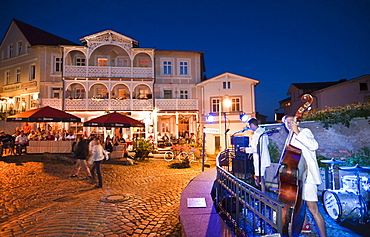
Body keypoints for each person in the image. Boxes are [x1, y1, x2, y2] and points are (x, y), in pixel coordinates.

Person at [282, 115, 326, 237]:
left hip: (308, 176)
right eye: (287, 122)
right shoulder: (289, 137)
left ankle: (323, 235)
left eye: (292, 121)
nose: (289, 124)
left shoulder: (305, 132)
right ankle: (304, 226)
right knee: (298, 206)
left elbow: (314, 146)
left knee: (313, 208)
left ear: (297, 122)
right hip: (296, 176)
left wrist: (297, 132)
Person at [243, 118, 271, 192]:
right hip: (262, 158)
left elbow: (257, 149)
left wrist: (246, 150)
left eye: (249, 125)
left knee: (259, 178)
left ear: (251, 124)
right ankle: (262, 195)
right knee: (260, 178)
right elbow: (267, 143)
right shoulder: (263, 132)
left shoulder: (258, 134)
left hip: (260, 159)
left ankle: (262, 196)